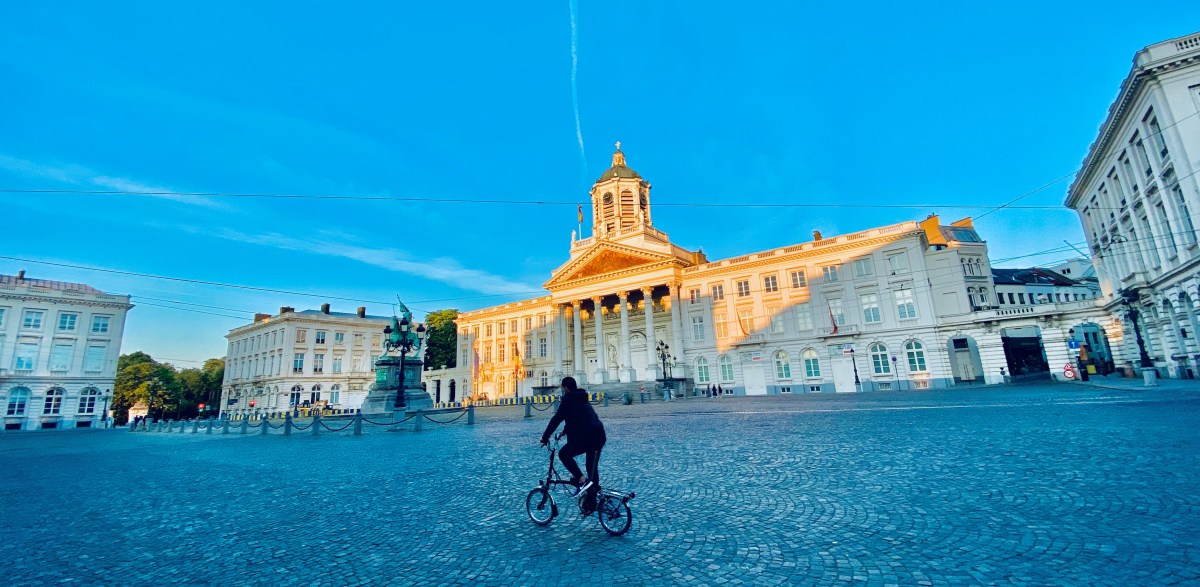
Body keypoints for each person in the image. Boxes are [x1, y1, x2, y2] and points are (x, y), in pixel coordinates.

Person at [539, 376, 606, 514]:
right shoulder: (581, 397)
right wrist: (565, 431)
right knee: (591, 468)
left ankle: (581, 480)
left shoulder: (568, 399)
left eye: (563, 388)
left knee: (564, 454)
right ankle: (591, 502)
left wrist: (545, 437)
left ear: (566, 388)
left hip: (589, 438)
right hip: (598, 435)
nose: (562, 391)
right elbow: (577, 417)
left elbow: (557, 418)